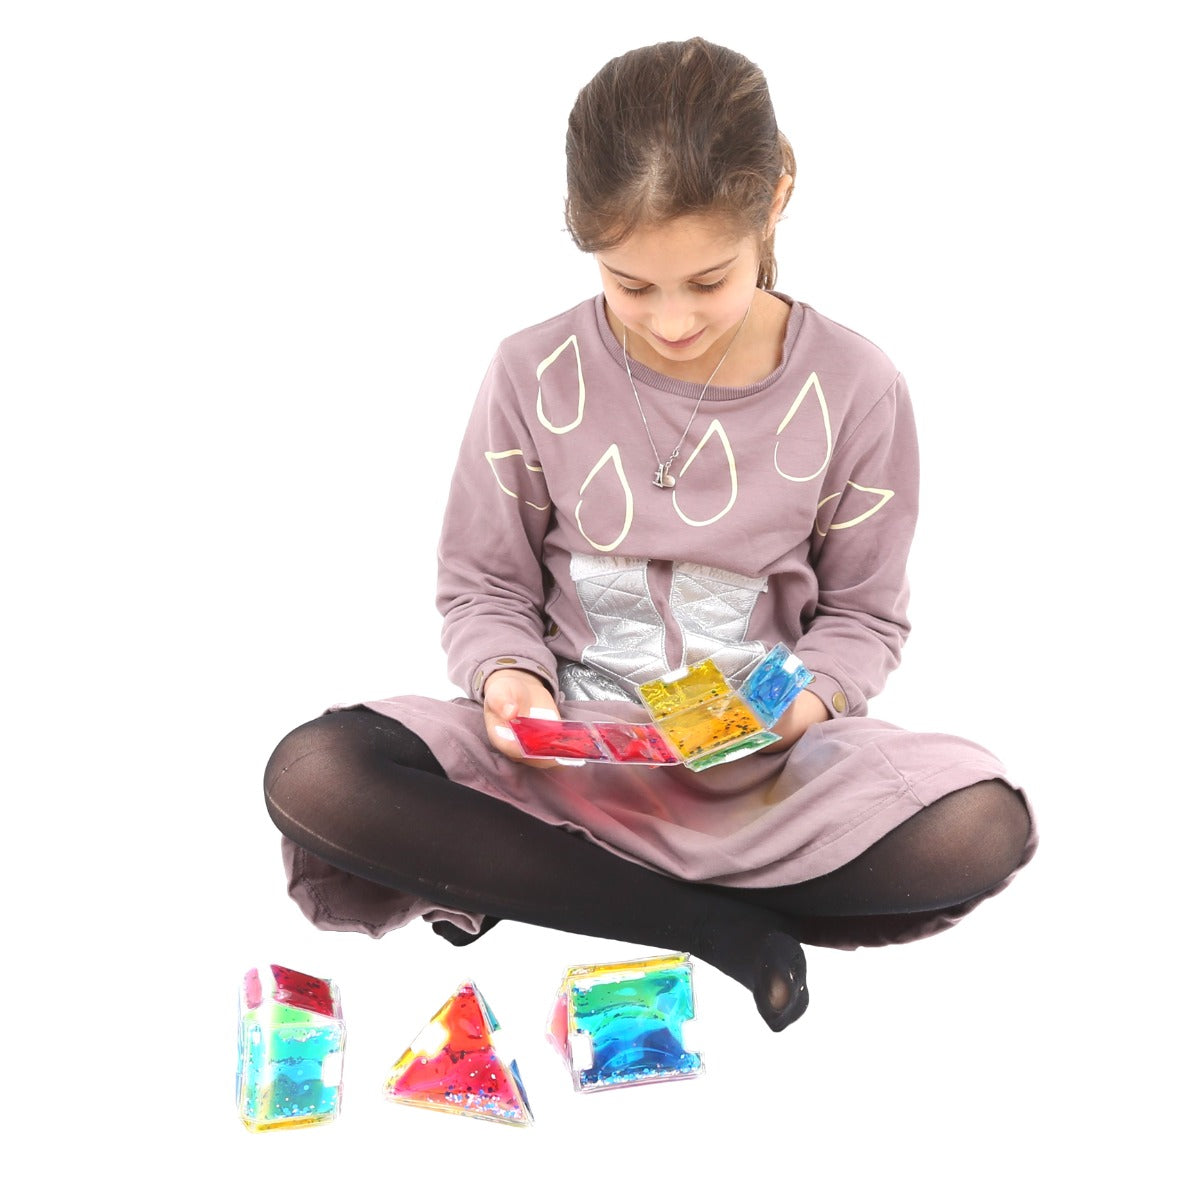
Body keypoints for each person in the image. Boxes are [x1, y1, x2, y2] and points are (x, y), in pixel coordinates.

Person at [264, 37, 1036, 1033]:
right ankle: (715, 928)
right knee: (319, 773)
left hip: (762, 782)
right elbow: (484, 586)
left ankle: (543, 885)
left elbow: (863, 618)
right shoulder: (531, 370)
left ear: (776, 200)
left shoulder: (857, 385)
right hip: (552, 772)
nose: (671, 323)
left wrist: (800, 707)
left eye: (709, 282)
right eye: (631, 286)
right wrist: (509, 681)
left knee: (981, 825)